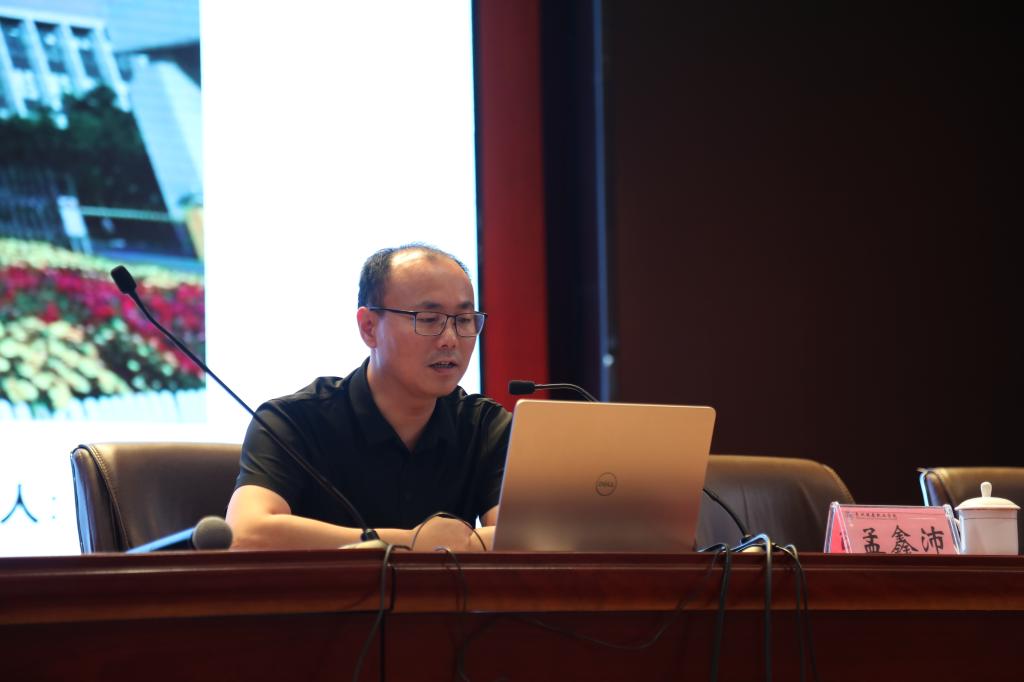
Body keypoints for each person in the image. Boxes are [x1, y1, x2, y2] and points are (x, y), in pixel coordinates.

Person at [226, 245, 511, 551]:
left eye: (464, 320)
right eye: (429, 319)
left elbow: (530, 538)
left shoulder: (485, 426)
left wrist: (461, 544)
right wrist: (411, 543)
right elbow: (245, 534)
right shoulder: (292, 421)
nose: (451, 339)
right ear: (369, 327)